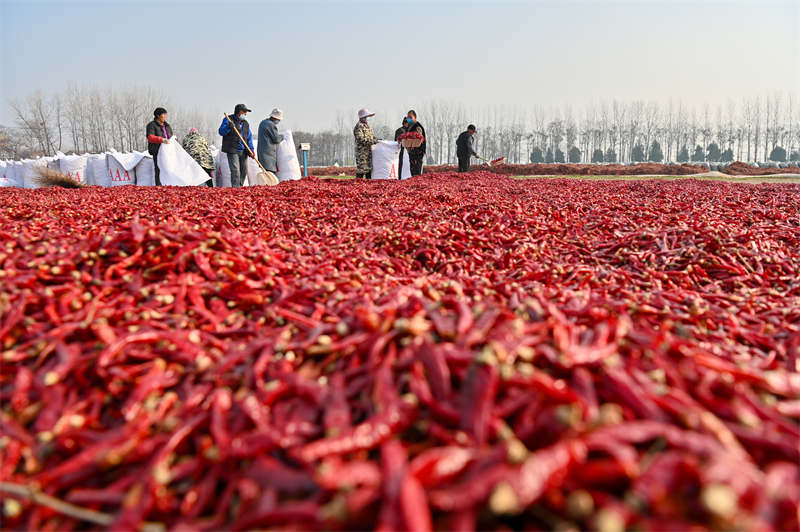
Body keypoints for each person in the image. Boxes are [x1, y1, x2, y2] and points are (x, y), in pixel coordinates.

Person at [218, 104, 255, 188]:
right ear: (238, 113)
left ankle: (240, 187)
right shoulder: (229, 119)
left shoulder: (245, 123)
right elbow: (221, 132)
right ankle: (236, 188)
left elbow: (249, 137)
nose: (245, 114)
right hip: (233, 149)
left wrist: (251, 150)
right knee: (235, 170)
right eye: (244, 112)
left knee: (244, 170)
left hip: (243, 150)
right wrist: (228, 127)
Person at [146, 107, 174, 186]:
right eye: (163, 114)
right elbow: (150, 137)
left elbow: (170, 135)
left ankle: (169, 185)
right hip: (158, 151)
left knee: (169, 169)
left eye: (165, 114)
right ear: (158, 115)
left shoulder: (167, 126)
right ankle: (159, 187)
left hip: (167, 152)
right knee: (159, 170)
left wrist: (174, 139)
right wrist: (162, 140)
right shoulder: (152, 125)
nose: (165, 116)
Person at [354, 108, 380, 179]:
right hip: (362, 154)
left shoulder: (367, 126)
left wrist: (379, 140)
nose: (368, 118)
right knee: (361, 171)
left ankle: (368, 187)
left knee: (369, 171)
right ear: (363, 117)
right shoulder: (359, 127)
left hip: (368, 152)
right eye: (367, 116)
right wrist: (372, 141)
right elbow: (361, 139)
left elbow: (371, 137)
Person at [257, 109, 284, 175]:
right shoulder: (270, 125)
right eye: (279, 119)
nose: (279, 121)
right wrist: (282, 136)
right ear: (274, 118)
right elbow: (276, 139)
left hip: (262, 152)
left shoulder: (263, 122)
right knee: (270, 173)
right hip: (268, 153)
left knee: (265, 172)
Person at [405, 110, 426, 176]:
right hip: (411, 152)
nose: (409, 118)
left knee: (417, 170)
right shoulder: (409, 127)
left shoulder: (417, 126)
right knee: (412, 170)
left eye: (410, 117)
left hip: (417, 152)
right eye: (408, 117)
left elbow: (418, 138)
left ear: (415, 117)